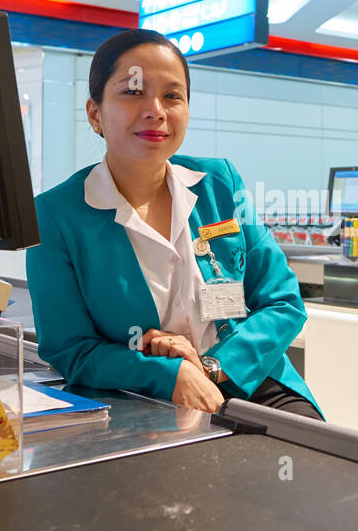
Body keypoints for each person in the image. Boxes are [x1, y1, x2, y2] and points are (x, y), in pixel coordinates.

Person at [25, 28, 322, 420]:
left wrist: (213, 368)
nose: (156, 111)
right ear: (95, 113)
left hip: (251, 382)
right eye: (133, 91)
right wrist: (171, 374)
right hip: (139, 397)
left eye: (172, 95)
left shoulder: (220, 184)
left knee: (313, 469)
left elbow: (283, 301)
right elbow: (71, 350)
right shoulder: (56, 215)